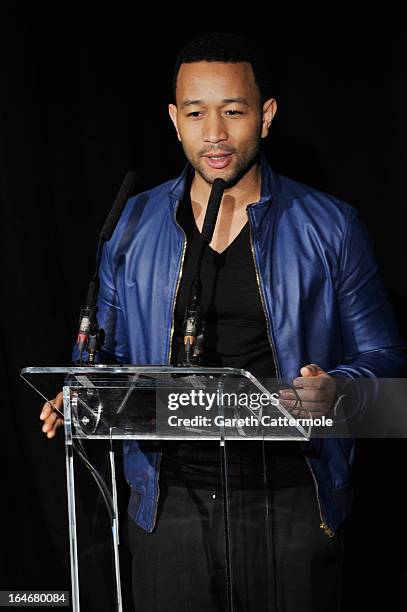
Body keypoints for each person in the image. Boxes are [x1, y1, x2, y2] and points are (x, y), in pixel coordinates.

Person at [40, 33, 406, 611]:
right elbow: (98, 354)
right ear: (173, 119)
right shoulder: (131, 225)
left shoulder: (331, 226)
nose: (214, 133)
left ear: (266, 116)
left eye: (233, 112)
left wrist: (338, 391)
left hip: (292, 495)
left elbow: (386, 361)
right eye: (196, 113)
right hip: (168, 502)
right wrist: (76, 392)